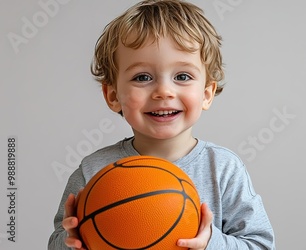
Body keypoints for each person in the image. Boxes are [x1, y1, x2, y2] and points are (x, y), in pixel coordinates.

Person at [47, 0, 275, 249]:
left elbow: (261, 245)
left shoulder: (223, 169)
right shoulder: (93, 171)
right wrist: (75, 240)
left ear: (207, 93)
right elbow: (56, 243)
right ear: (113, 96)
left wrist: (211, 241)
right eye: (143, 77)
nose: (164, 91)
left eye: (182, 76)